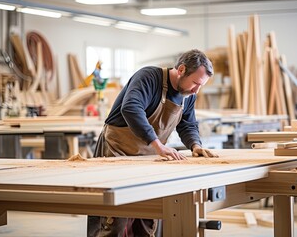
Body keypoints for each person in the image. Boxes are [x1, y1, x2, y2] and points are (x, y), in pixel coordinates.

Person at [88, 49, 218, 237]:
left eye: (201, 86)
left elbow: (188, 124)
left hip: (148, 157)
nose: (196, 90)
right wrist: (157, 144)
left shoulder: (188, 95)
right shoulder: (149, 77)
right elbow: (131, 108)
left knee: (147, 219)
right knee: (113, 221)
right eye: (196, 83)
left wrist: (195, 145)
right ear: (181, 69)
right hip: (117, 151)